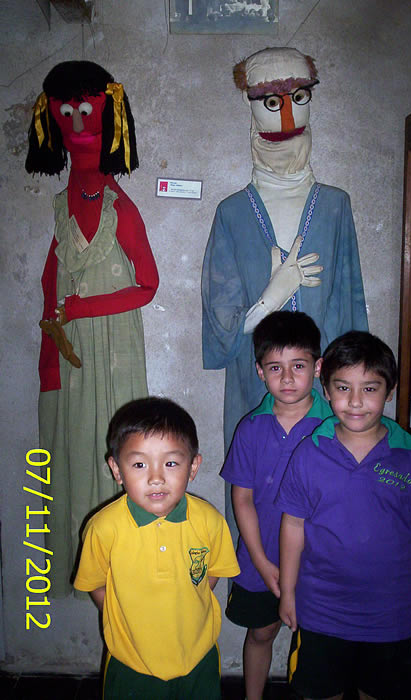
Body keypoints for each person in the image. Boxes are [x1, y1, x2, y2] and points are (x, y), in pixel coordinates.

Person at [25, 61, 159, 596]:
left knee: (117, 454)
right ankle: (88, 575)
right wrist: (49, 361)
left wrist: (85, 308)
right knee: (69, 454)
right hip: (67, 360)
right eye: (67, 112)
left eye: (87, 111)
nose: (78, 125)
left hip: (114, 354)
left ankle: (127, 579)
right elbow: (48, 291)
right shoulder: (61, 208)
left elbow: (147, 286)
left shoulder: (121, 208)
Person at [202, 47, 368, 455]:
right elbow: (221, 325)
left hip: (323, 387)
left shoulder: (335, 206)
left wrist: (353, 387)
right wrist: (270, 299)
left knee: (323, 476)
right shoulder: (232, 213)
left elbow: (350, 306)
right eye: (273, 102)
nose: (287, 116)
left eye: (299, 97)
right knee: (255, 475)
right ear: (252, 105)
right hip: (255, 380)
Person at [277, 331, 411, 700]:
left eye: (370, 389)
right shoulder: (308, 454)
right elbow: (293, 526)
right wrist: (288, 593)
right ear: (326, 390)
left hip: (393, 617)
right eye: (343, 388)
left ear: (389, 391)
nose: (355, 401)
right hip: (321, 613)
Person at [74, 397, 240, 699]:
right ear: (117, 469)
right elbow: (95, 584)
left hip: (198, 659)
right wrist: (125, 617)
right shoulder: (103, 528)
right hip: (131, 663)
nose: (156, 478)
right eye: (139, 464)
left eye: (171, 463)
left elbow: (211, 573)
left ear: (193, 466)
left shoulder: (210, 521)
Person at [221, 311, 332, 700]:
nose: (286, 378)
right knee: (261, 632)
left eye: (298, 366)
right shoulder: (250, 428)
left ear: (318, 368)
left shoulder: (334, 429)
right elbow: (242, 499)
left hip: (318, 562)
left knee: (318, 645)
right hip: (261, 556)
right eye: (275, 368)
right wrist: (263, 562)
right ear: (259, 372)